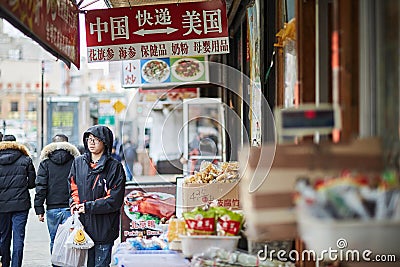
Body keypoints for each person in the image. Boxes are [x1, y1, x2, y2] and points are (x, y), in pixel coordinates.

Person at [69, 125, 126, 267]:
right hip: (82, 227)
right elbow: (73, 187)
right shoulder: (78, 162)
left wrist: (88, 207)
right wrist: (75, 204)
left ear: (105, 142)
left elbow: (114, 199)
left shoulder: (114, 167)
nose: (91, 143)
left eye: (96, 140)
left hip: (104, 228)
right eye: (89, 139)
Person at [33, 134, 80, 256]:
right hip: (71, 207)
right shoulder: (76, 162)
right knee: (71, 240)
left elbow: (41, 186)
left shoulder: (45, 163)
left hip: (52, 208)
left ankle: (56, 263)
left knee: (54, 240)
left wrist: (39, 209)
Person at [0, 135, 36, 267]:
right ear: (16, 144)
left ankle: (4, 263)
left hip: (1, 206)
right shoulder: (25, 159)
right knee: (18, 238)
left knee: (4, 236)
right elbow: (32, 183)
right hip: (21, 205)